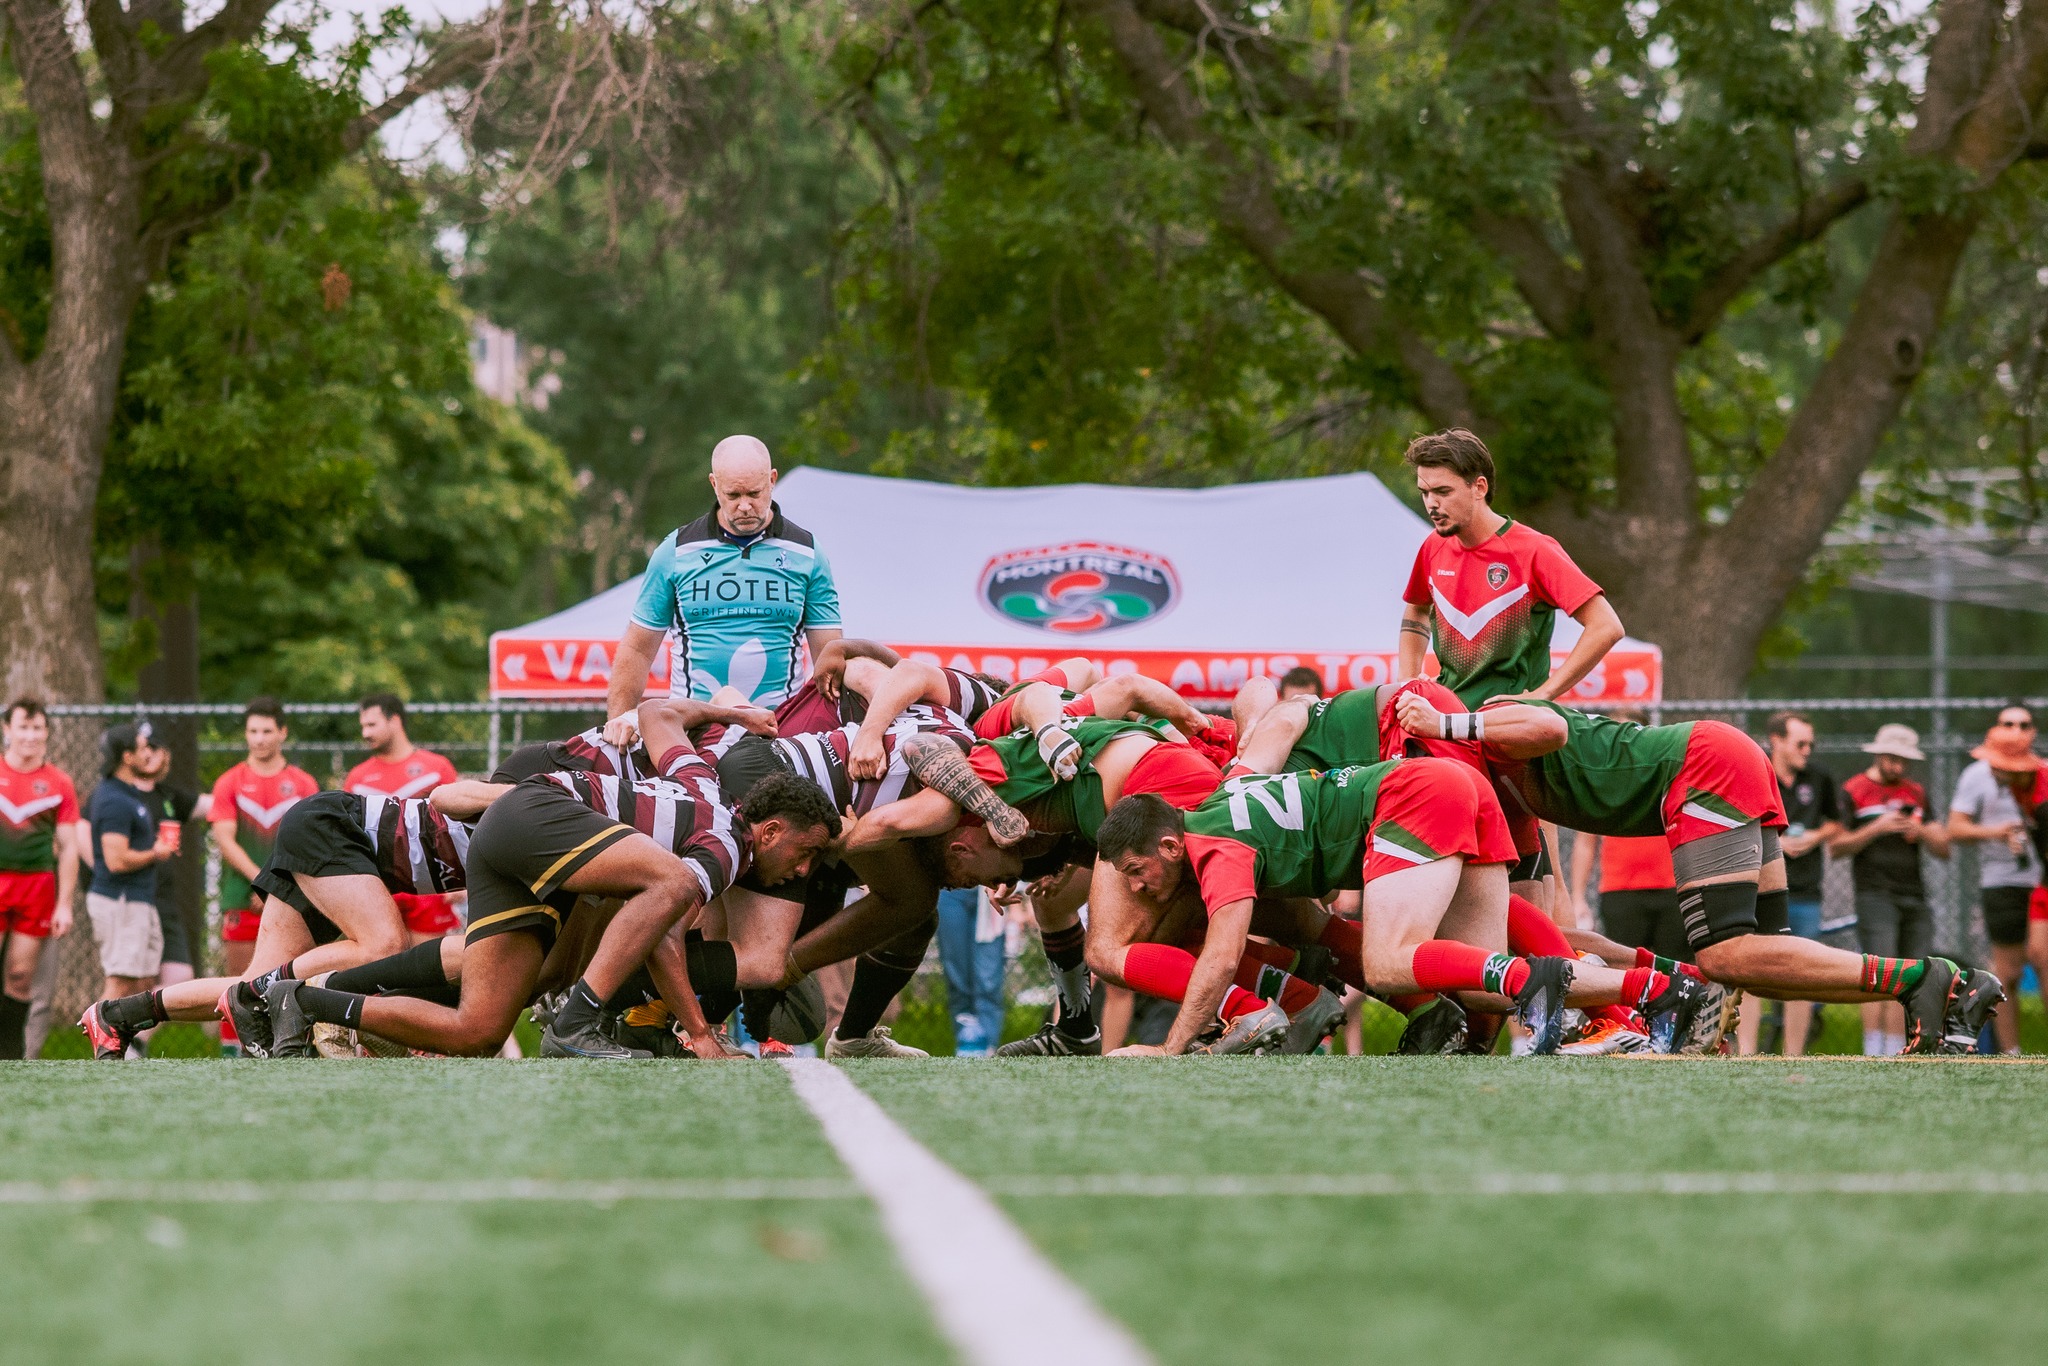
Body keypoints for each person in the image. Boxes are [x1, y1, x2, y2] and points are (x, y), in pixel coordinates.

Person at [1393, 694, 1998, 1055]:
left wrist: (1443, 724)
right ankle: (1933, 990)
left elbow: (1548, 726)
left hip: (1704, 765)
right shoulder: (1494, 794)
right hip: (1723, 758)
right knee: (1764, 963)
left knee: (1726, 953)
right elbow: (1545, 930)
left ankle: (1928, 978)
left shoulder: (1489, 719)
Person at [603, 435, 843, 740]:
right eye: (733, 495)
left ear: (772, 481)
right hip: (693, 732)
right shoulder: (675, 552)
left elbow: (830, 658)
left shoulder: (807, 553)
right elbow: (637, 649)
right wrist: (618, 725)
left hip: (777, 733)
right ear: (714, 485)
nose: (744, 505)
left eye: (754, 493)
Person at [1397, 429, 1624, 710]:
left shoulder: (1534, 549)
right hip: (1447, 718)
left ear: (1479, 487)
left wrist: (1545, 693)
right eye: (1425, 492)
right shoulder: (1433, 546)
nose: (1432, 503)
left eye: (1443, 492)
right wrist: (1408, 680)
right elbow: (1417, 608)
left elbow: (1606, 626)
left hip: (1510, 724)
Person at [1831, 723, 1953, 1056]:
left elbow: (1944, 847)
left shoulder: (1916, 793)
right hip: (1875, 895)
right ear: (1879, 754)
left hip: (1914, 895)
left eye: (1904, 760)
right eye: (1893, 758)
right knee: (1879, 974)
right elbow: (1837, 846)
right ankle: (1874, 1050)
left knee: (1912, 975)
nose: (1898, 766)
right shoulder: (1854, 790)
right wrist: (1878, 827)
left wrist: (1920, 830)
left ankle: (1900, 1048)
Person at [208, 698, 320, 1049]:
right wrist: (263, 883)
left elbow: (312, 843)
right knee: (238, 983)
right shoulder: (229, 782)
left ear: (282, 732)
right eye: (253, 731)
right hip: (241, 897)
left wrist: (277, 887)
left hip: (291, 899)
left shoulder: (303, 784)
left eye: (267, 731)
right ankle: (234, 1056)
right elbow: (225, 839)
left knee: (291, 983)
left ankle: (289, 1049)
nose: (259, 738)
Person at [1946, 705, 2041, 1055]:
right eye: (2007, 723)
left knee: (2044, 959)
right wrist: (1997, 833)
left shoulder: (2041, 777)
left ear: (2033, 732)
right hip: (2001, 882)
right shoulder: (1977, 775)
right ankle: (2010, 1052)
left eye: (2023, 724)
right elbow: (1954, 828)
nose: (2015, 730)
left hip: (2040, 880)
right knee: (2008, 973)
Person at [0, 699, 80, 1058]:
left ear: (47, 733)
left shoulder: (59, 783)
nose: (30, 736)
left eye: (37, 728)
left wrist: (64, 904)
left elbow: (69, 847)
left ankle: (10, 1057)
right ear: (7, 729)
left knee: (20, 977)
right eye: (23, 727)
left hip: (36, 888)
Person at [348, 692, 463, 941]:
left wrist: (462, 880)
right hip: (378, 887)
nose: (365, 733)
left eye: (372, 725)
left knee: (430, 962)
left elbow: (457, 828)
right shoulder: (357, 778)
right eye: (363, 726)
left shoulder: (437, 768)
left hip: (429, 885)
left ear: (395, 721)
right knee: (380, 960)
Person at [1766, 710, 1845, 1055]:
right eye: (1800, 744)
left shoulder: (1819, 777)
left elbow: (1836, 823)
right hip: (1763, 891)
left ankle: (1793, 1054)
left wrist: (1814, 837)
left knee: (1802, 974)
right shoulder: (1758, 773)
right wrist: (1776, 842)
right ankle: (1745, 1052)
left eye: (1811, 744)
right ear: (1777, 741)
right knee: (1751, 970)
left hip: (1806, 892)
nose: (1807, 750)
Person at [84, 721, 177, 1014]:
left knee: (144, 980)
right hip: (119, 901)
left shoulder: (128, 794)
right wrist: (155, 852)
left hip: (139, 900)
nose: (148, 753)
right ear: (127, 757)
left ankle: (125, 1038)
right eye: (142, 748)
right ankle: (98, 1034)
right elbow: (116, 860)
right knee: (121, 981)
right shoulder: (114, 800)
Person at [936, 885, 1005, 1055]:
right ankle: (965, 1041)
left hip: (991, 890)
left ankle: (989, 1045)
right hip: (948, 889)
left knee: (988, 980)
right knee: (956, 975)